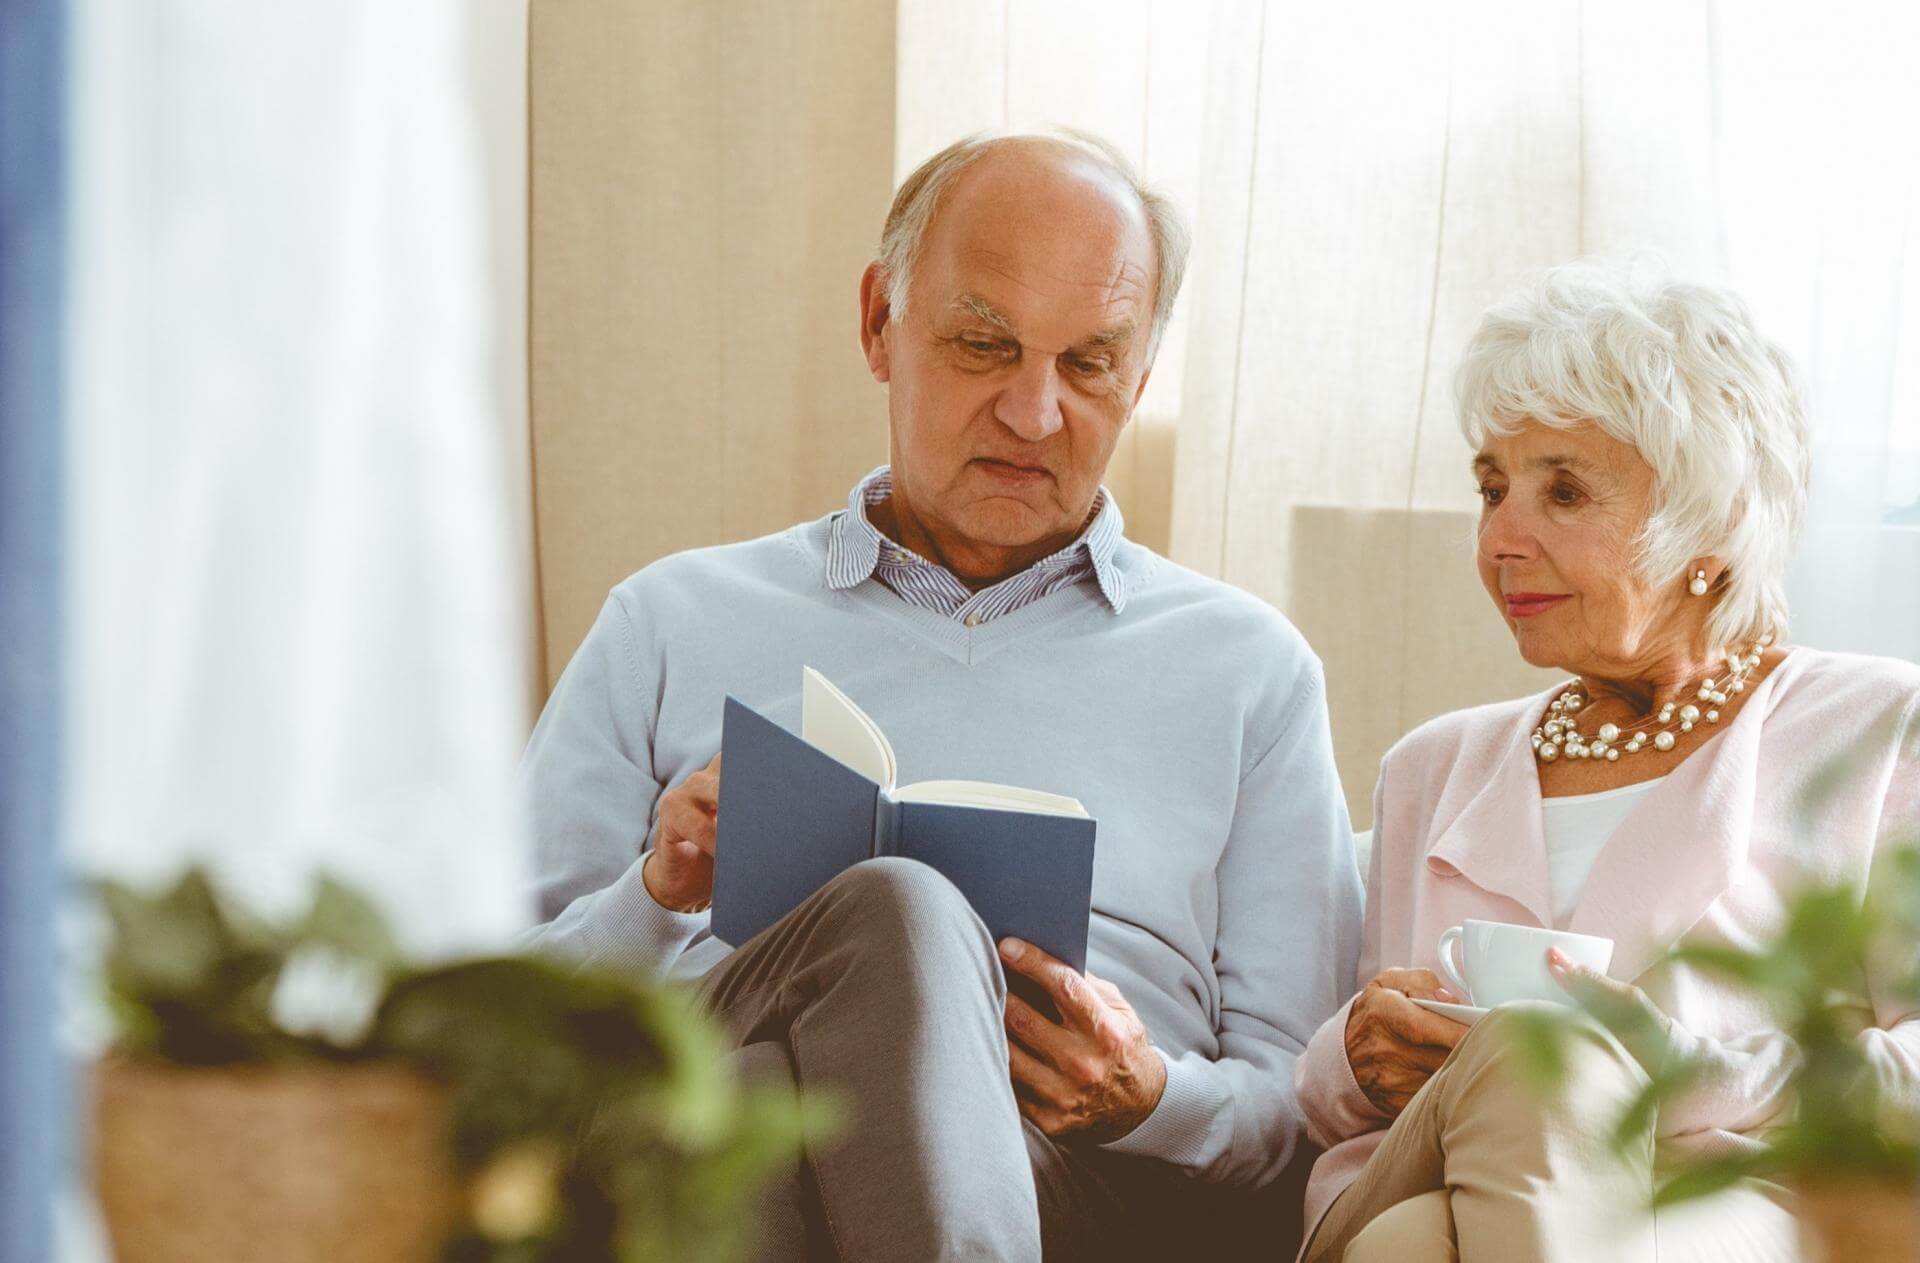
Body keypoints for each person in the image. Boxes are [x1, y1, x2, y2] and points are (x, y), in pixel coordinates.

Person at [520, 128, 1363, 1261]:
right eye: (984, 345)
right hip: (692, 1109)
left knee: (778, 1122)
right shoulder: (669, 619)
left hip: (1073, 1185)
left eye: (1090, 364)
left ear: (1143, 377)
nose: (1034, 414)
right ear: (879, 323)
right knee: (875, 944)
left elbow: (1300, 1110)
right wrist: (660, 894)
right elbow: (501, 1034)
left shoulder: (1249, 671)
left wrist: (1146, 1092)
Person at [1294, 261, 1920, 1261]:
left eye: (1565, 492)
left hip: (1730, 1202)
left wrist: (1677, 1071)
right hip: (1423, 1168)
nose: (1503, 538)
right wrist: (1360, 1058)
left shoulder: (1882, 729)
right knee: (1467, 1133)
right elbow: (1329, 1107)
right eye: (1494, 489)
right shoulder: (1433, 766)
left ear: (1709, 526)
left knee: (1412, 1244)